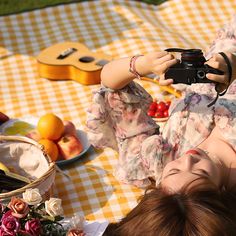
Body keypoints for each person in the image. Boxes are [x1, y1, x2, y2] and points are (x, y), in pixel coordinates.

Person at [86, 15, 236, 235]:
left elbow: (111, 86)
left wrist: (140, 65)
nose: (188, 158)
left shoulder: (157, 158)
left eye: (174, 170)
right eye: (201, 173)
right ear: (220, 195)